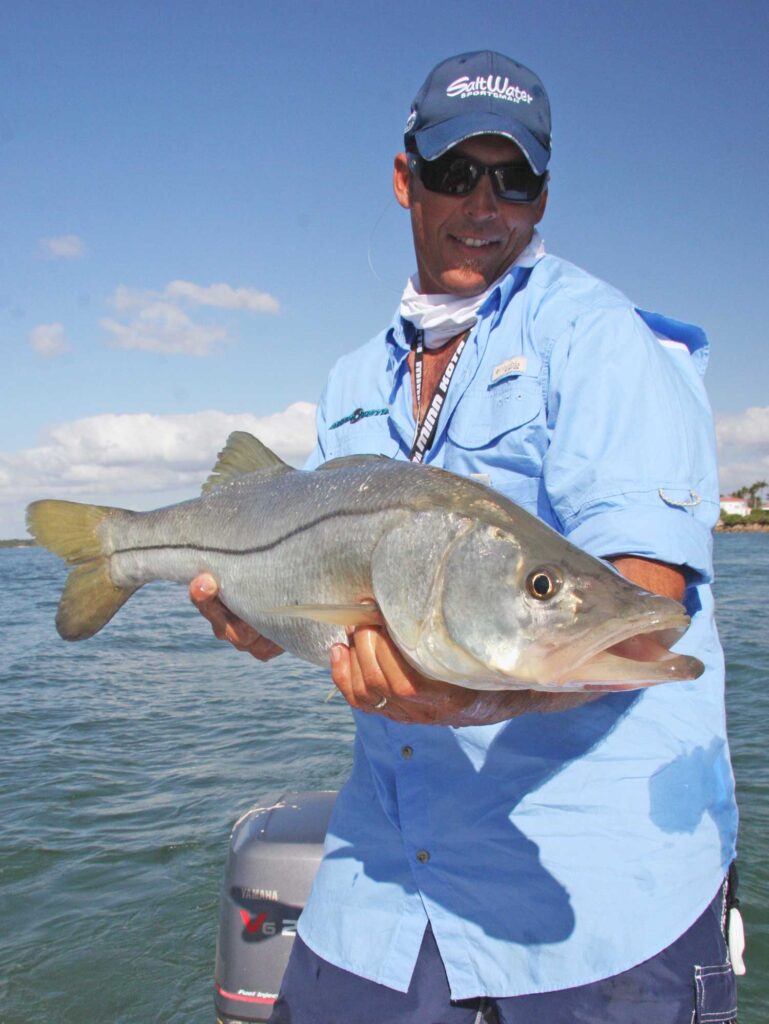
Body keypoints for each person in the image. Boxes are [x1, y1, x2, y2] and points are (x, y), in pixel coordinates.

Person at [192, 51, 740, 1024]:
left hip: (596, 916)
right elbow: (333, 605)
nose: (484, 202)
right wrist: (262, 618)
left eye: (514, 177)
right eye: (455, 172)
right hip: (377, 892)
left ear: (541, 192)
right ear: (406, 178)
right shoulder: (353, 379)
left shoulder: (600, 339)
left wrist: (469, 695)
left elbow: (645, 590)